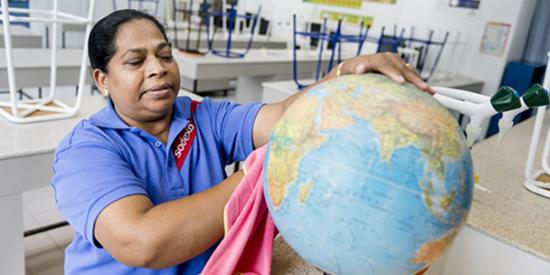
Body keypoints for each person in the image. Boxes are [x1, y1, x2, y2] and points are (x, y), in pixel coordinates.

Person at [51, 9, 432, 275]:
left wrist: (345, 74)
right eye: (136, 62)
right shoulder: (87, 150)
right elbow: (141, 243)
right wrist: (261, 172)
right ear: (102, 80)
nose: (158, 68)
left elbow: (284, 119)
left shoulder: (203, 116)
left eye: (165, 55)